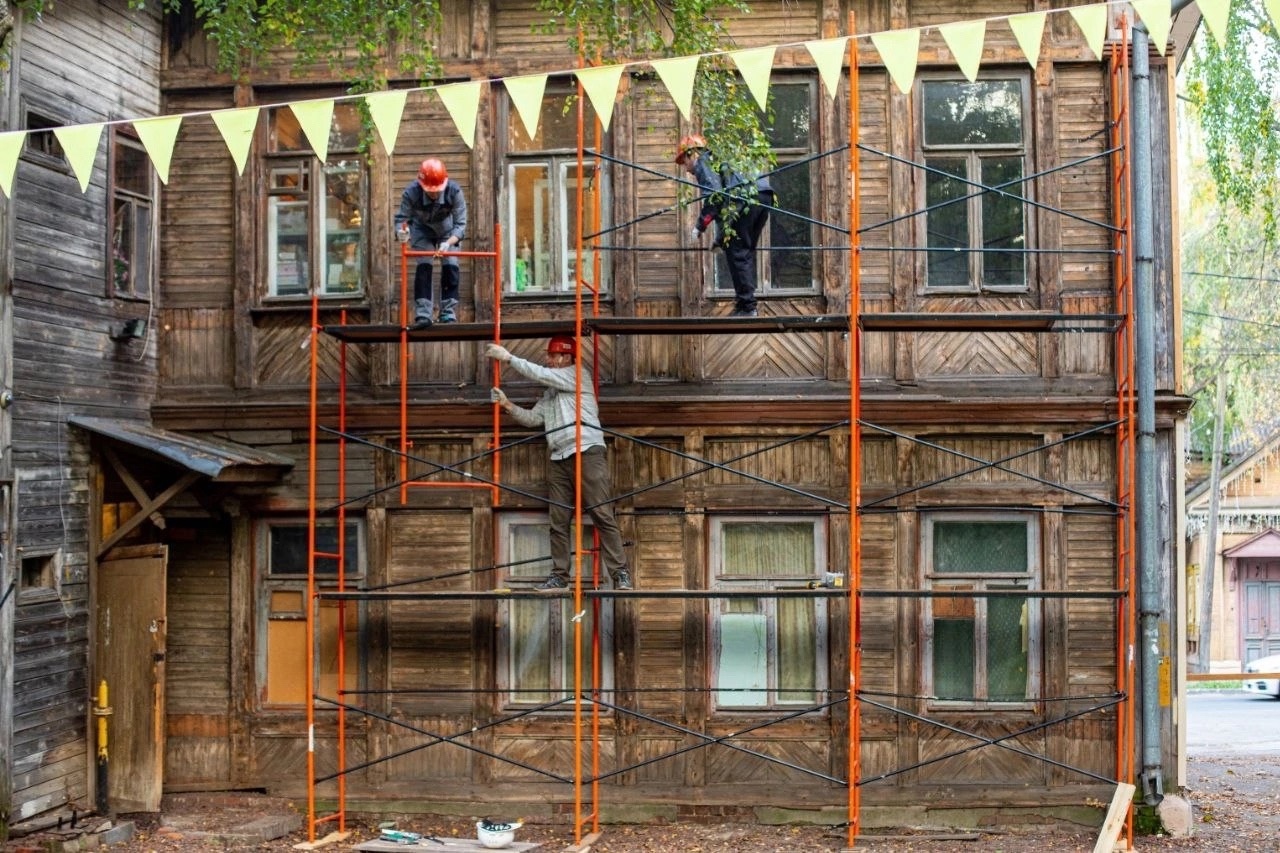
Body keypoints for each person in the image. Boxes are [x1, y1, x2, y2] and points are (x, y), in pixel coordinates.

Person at [486, 336, 633, 591]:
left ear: (566, 358)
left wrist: (508, 358)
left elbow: (541, 374)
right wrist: (507, 404)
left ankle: (620, 573)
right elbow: (533, 418)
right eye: (549, 355)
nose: (549, 360)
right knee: (558, 520)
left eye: (553, 356)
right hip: (558, 456)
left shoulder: (577, 375)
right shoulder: (551, 393)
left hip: (586, 450)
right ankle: (559, 576)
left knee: (601, 513)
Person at [676, 134, 775, 317]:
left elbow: (715, 199)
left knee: (737, 251)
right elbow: (728, 210)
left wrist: (699, 227)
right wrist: (721, 239)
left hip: (747, 198)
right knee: (742, 250)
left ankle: (747, 307)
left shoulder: (703, 162)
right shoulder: (721, 158)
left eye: (685, 162)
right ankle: (745, 304)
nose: (687, 170)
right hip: (763, 194)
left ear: (693, 154)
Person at [395, 158, 467, 328]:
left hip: (448, 232)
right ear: (421, 184)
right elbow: (401, 220)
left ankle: (448, 313)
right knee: (424, 265)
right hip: (421, 230)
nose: (434, 194)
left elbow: (461, 225)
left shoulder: (455, 191)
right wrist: (402, 233)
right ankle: (423, 314)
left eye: (437, 191)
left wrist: (448, 243)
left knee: (451, 264)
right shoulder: (410, 193)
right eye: (430, 191)